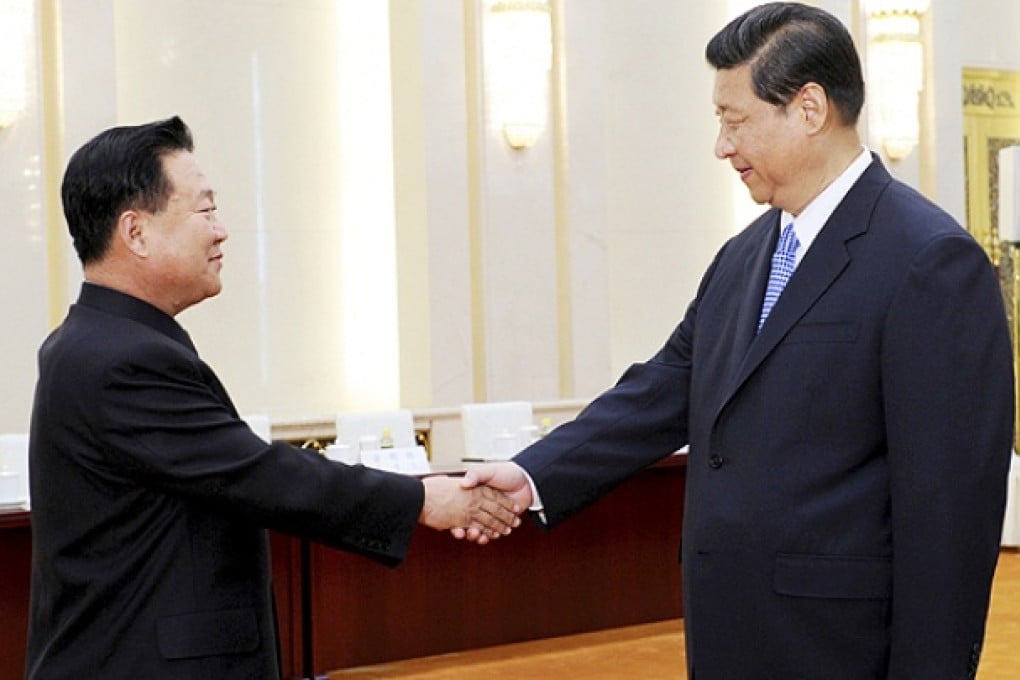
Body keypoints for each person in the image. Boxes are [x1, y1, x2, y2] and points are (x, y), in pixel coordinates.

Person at [462, 3, 1014, 678]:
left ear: (809, 108)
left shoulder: (928, 260)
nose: (721, 146)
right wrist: (529, 475)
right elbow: (664, 387)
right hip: (729, 636)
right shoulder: (742, 256)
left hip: (841, 649)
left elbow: (950, 514)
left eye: (735, 120)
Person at [26, 116, 520, 679]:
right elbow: (257, 475)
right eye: (205, 210)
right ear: (135, 232)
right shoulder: (122, 360)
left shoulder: (97, 341)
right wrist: (425, 501)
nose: (221, 231)